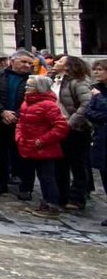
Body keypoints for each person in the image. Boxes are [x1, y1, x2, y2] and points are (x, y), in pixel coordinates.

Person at [15, 75, 70, 218]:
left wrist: (42, 140)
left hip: (44, 148)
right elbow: (21, 122)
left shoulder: (49, 105)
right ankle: (45, 203)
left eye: (30, 86)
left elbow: (61, 127)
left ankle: (52, 205)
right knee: (39, 176)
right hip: (28, 145)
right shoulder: (26, 103)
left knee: (47, 177)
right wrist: (19, 136)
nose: (26, 88)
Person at [0, 51, 34, 197]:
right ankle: (1, 182)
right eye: (23, 62)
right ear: (13, 61)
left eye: (29, 63)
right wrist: (2, 111)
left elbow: (32, 98)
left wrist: (16, 114)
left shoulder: (32, 79)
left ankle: (25, 187)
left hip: (21, 122)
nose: (27, 65)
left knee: (23, 155)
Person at [51, 55, 93, 211]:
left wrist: (71, 122)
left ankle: (77, 197)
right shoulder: (55, 80)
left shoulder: (78, 82)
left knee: (78, 164)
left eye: (60, 61)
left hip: (75, 129)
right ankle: (61, 195)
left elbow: (86, 104)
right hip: (58, 127)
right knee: (59, 163)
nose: (56, 62)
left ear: (68, 67)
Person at [84, 60, 107, 226]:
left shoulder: (97, 92)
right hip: (101, 136)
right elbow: (89, 112)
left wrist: (98, 98)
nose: (97, 73)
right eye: (95, 69)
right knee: (104, 174)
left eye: (100, 70)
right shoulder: (97, 88)